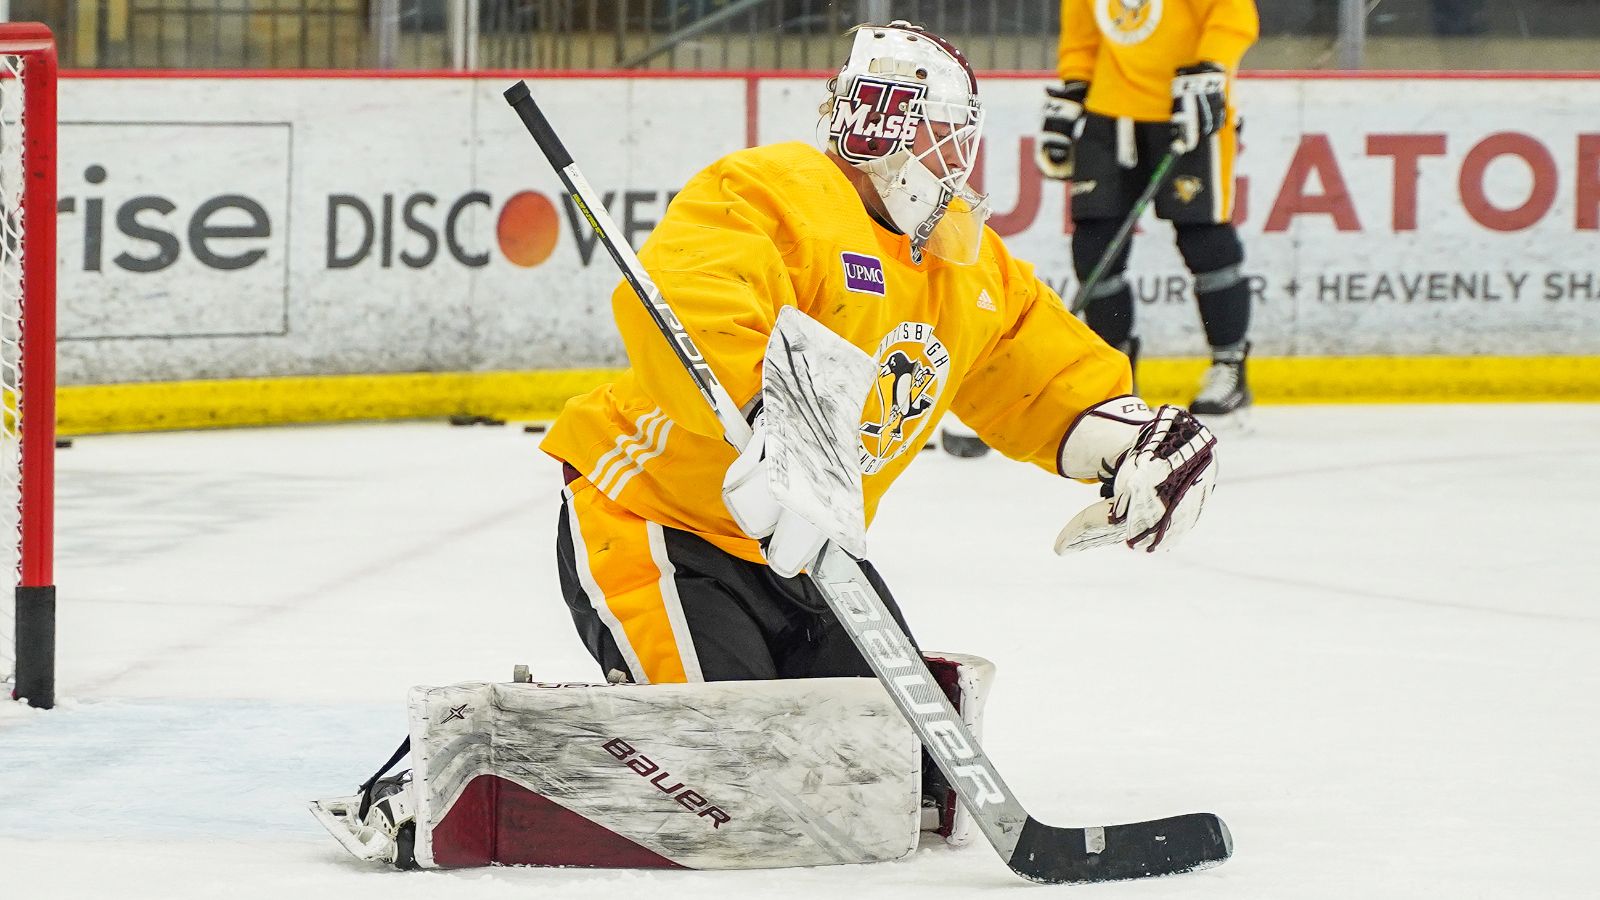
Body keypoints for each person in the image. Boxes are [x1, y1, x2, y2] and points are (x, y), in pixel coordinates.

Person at [541, 19, 1218, 704]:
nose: (956, 155)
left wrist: (1135, 438)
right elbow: (694, 296)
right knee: (731, 759)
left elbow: (1035, 370)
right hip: (660, 521)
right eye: (943, 128)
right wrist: (769, 414)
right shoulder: (775, 188)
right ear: (883, 122)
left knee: (893, 766)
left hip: (810, 544)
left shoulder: (964, 259)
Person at [1037, 0, 1259, 419]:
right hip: (1108, 111)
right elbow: (1082, 38)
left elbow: (1232, 14)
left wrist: (1212, 67)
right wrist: (1072, 92)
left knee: (1204, 240)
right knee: (1095, 249)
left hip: (1188, 102)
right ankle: (1115, 375)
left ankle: (1229, 366)